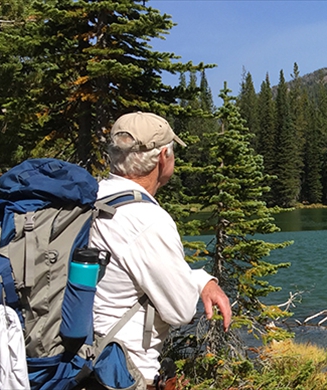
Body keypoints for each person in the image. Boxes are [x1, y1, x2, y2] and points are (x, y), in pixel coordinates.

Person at [89, 111, 232, 388]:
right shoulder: (146, 220)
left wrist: (201, 281)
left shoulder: (93, 198)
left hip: (80, 360)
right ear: (163, 157)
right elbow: (180, 310)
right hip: (120, 373)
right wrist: (201, 281)